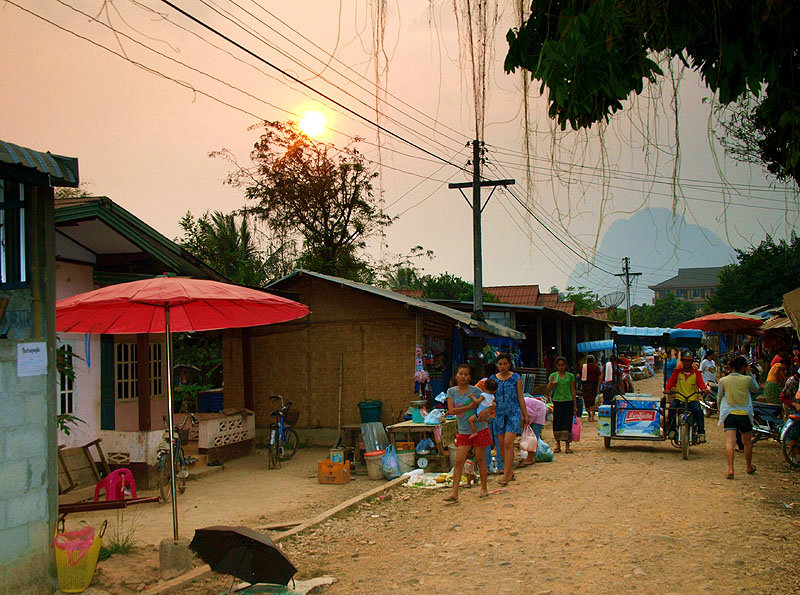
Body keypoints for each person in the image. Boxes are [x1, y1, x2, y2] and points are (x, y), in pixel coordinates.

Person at [444, 364, 492, 502]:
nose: (463, 377)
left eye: (466, 374)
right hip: (463, 431)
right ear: (456, 376)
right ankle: (454, 493)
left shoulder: (477, 391)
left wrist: (485, 412)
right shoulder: (451, 392)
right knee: (458, 461)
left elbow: (490, 404)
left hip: (479, 429)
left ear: (470, 377)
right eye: (460, 374)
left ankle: (484, 488)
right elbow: (451, 411)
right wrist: (469, 407)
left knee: (481, 460)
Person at [717, 355, 759, 478]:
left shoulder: (723, 380)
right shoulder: (747, 379)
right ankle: (748, 466)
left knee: (730, 442)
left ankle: (730, 469)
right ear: (743, 367)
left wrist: (720, 410)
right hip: (744, 413)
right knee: (747, 443)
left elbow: (719, 397)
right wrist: (749, 373)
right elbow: (756, 389)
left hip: (729, 413)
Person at [491, 353, 528, 487]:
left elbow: (520, 396)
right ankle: (510, 471)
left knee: (508, 443)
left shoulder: (516, 378)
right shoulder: (493, 379)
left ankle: (506, 475)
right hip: (499, 414)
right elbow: (489, 396)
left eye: (505, 364)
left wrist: (525, 414)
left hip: (514, 413)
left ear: (510, 364)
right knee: (501, 445)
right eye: (500, 364)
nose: (503, 367)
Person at [664, 351, 708, 443]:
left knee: (698, 411)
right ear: (682, 362)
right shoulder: (677, 372)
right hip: (680, 398)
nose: (686, 363)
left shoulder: (696, 373)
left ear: (692, 362)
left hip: (692, 399)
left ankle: (701, 432)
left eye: (688, 361)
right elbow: (671, 382)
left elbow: (701, 384)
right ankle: (672, 430)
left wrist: (704, 389)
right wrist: (667, 389)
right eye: (684, 361)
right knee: (671, 408)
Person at [476, 363, 503, 475]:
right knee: (499, 441)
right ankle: (502, 466)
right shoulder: (499, 382)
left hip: (484, 417)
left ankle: (485, 467)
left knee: (486, 442)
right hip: (497, 415)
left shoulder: (480, 384)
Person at [548, 356, 577, 453]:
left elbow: (572, 390)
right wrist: (551, 383)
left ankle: (567, 446)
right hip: (557, 401)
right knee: (557, 422)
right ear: (556, 366)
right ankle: (558, 444)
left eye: (562, 365)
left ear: (565, 365)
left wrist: (575, 405)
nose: (561, 367)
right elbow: (548, 390)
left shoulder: (570, 376)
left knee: (567, 422)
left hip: (568, 401)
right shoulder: (553, 376)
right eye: (559, 365)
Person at [520, 395, 547, 466]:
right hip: (536, 412)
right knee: (531, 437)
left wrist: (527, 424)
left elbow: (533, 415)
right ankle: (530, 457)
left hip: (539, 412)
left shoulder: (520, 406)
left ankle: (530, 458)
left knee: (533, 437)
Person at [580, 354, 602, 421]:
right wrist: (599, 386)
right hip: (594, 386)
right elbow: (600, 376)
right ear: (594, 360)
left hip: (585, 386)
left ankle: (589, 416)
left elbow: (578, 376)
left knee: (587, 401)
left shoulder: (583, 367)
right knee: (594, 401)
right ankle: (592, 416)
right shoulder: (596, 367)